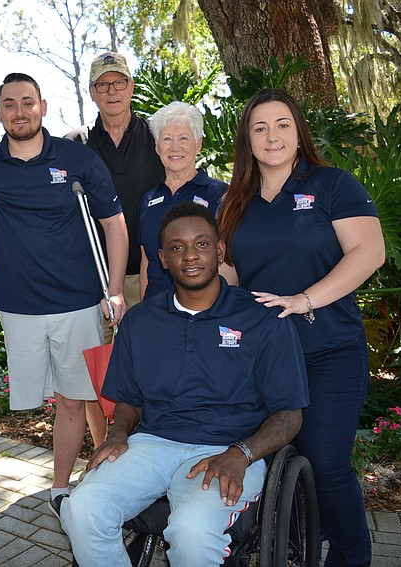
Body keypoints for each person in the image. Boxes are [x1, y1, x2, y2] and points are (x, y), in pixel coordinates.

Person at [61, 202, 309, 566]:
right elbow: (129, 398)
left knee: (192, 532)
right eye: (177, 247)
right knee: (81, 508)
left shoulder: (263, 319)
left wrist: (241, 453)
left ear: (220, 251)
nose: (190, 255)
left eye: (202, 244)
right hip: (154, 443)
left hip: (229, 447)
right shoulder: (141, 321)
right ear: (163, 258)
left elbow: (289, 415)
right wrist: (117, 434)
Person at [217, 88, 385, 566]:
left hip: (330, 348)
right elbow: (227, 274)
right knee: (263, 462)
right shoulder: (234, 203)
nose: (273, 136)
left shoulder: (333, 185)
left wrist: (304, 299)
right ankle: (288, 549)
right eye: (260, 128)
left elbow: (369, 252)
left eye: (283, 125)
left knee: (327, 464)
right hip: (262, 357)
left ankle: (352, 555)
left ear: (298, 132)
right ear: (247, 141)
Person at [0, 72, 128, 516]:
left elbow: (113, 223)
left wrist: (113, 290)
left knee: (76, 397)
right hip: (19, 307)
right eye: (10, 103)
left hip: (78, 301)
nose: (19, 111)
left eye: (27, 102)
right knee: (46, 398)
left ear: (43, 107)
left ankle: (60, 488)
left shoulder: (77, 159)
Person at [66, 51, 165, 447]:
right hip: (92, 278)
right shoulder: (76, 145)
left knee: (149, 366)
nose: (112, 91)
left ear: (131, 88)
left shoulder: (157, 137)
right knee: (98, 370)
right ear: (92, 92)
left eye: (119, 82)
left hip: (150, 274)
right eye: (102, 84)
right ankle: (103, 447)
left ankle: (147, 444)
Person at [139, 101, 227, 299]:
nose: (175, 147)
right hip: (157, 311)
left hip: (204, 311)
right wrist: (144, 310)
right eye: (167, 139)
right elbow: (147, 261)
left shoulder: (220, 194)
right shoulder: (148, 200)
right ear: (157, 146)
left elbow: (229, 262)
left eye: (184, 138)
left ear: (198, 144)